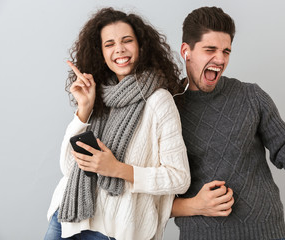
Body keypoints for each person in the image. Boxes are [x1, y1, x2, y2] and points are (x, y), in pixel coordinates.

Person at [171, 6, 285, 240]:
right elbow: (147, 199)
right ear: (186, 51)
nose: (220, 59)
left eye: (226, 51)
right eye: (210, 49)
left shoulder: (250, 96)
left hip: (266, 233)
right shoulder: (167, 106)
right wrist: (195, 205)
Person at [44, 7, 190, 240]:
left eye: (127, 40)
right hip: (67, 221)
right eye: (109, 44)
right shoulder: (98, 94)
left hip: (115, 231)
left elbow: (179, 178)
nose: (119, 49)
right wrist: (84, 110)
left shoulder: (158, 101)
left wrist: (118, 170)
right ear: (101, 53)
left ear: (141, 46)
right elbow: (69, 168)